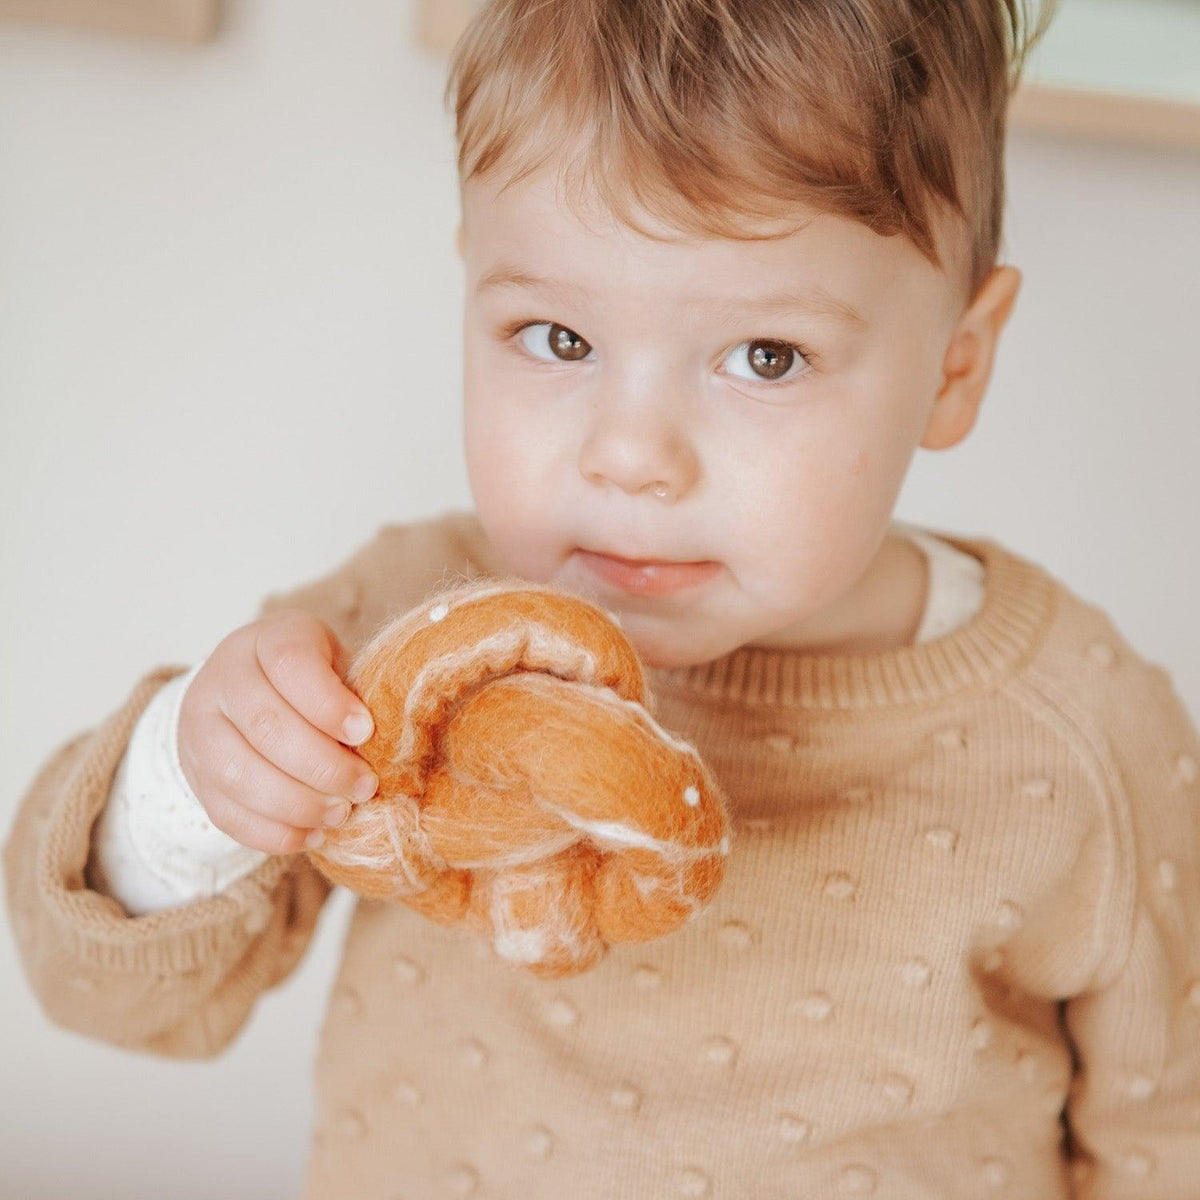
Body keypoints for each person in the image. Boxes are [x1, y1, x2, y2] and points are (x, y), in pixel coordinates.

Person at [6, 1, 1200, 1195]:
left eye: (765, 357)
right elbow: (116, 1004)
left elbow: (1169, 1141)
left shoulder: (1083, 739)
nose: (630, 455)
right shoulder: (403, 636)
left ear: (956, 364)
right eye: (559, 337)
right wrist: (191, 791)